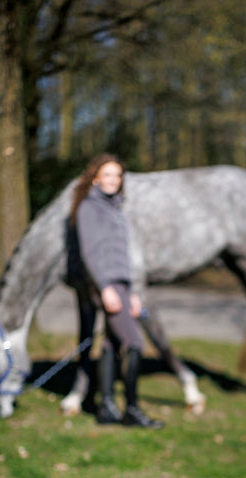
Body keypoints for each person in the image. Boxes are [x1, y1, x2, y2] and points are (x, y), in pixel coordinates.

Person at [70, 154, 163, 429]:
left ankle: (107, 407)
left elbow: (120, 253)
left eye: (118, 175)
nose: (113, 180)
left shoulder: (116, 207)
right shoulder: (89, 207)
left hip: (121, 284)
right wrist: (104, 288)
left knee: (111, 344)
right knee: (134, 343)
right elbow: (90, 252)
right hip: (107, 284)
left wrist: (131, 291)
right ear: (95, 178)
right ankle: (132, 409)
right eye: (108, 174)